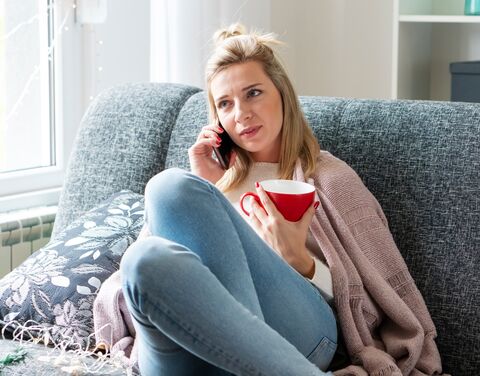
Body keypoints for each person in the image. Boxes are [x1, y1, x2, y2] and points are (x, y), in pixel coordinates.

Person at [93, 24, 445, 376]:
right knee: (144, 256)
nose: (241, 113)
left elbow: (376, 303)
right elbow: (135, 288)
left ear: (283, 95)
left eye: (254, 93)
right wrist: (208, 188)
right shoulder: (206, 185)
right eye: (225, 104)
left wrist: (300, 261)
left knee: (169, 187)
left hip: (302, 335)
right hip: (199, 347)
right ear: (216, 119)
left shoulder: (329, 178)